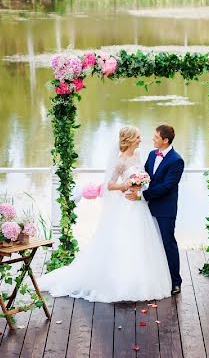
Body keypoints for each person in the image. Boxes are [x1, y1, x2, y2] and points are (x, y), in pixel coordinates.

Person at [38, 125, 173, 302]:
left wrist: (141, 183)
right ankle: (119, 283)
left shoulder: (138, 155)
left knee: (141, 241)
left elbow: (143, 175)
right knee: (123, 242)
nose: (141, 139)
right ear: (131, 139)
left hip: (139, 204)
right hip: (126, 204)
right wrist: (126, 185)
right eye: (138, 137)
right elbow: (110, 185)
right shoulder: (120, 161)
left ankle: (139, 280)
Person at [125, 124, 183, 295]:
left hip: (165, 209)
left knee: (168, 243)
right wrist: (135, 184)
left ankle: (175, 281)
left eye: (156, 137)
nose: (153, 139)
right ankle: (154, 280)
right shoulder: (151, 154)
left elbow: (166, 186)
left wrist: (142, 195)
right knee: (150, 244)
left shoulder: (176, 160)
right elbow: (146, 176)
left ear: (165, 140)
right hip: (147, 208)